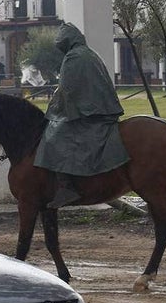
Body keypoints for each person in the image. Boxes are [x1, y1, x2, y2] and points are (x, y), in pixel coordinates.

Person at [33, 22, 129, 209]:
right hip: (101, 109)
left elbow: (67, 91)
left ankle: (67, 186)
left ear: (67, 42)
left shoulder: (74, 57)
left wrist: (54, 110)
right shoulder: (90, 54)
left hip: (90, 114)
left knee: (54, 137)